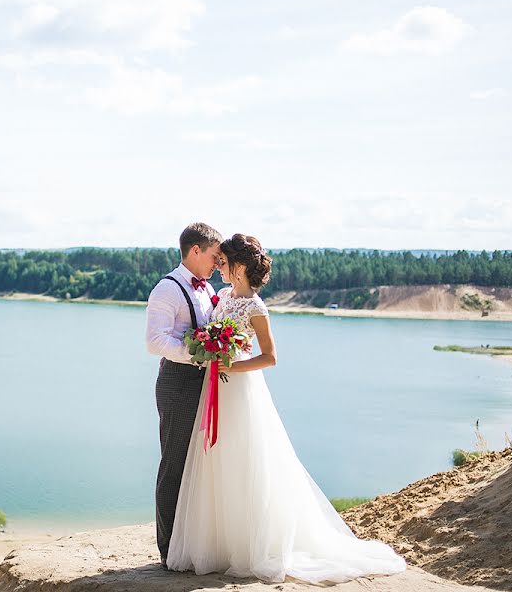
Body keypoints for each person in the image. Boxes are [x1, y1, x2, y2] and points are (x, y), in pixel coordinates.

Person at [165, 234, 407, 584]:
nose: (219, 266)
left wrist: (230, 366)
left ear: (241, 267)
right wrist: (211, 354)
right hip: (216, 388)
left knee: (245, 461)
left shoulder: (254, 307)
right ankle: (219, 546)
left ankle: (250, 547)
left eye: (225, 261)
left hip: (241, 391)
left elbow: (270, 357)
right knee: (218, 463)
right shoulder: (226, 297)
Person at [145, 222, 223, 569]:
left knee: (199, 467)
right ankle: (168, 550)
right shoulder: (168, 289)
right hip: (177, 384)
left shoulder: (206, 290)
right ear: (195, 251)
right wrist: (199, 355)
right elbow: (155, 341)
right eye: (213, 255)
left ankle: (191, 543)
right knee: (174, 465)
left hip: (202, 385)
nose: (216, 262)